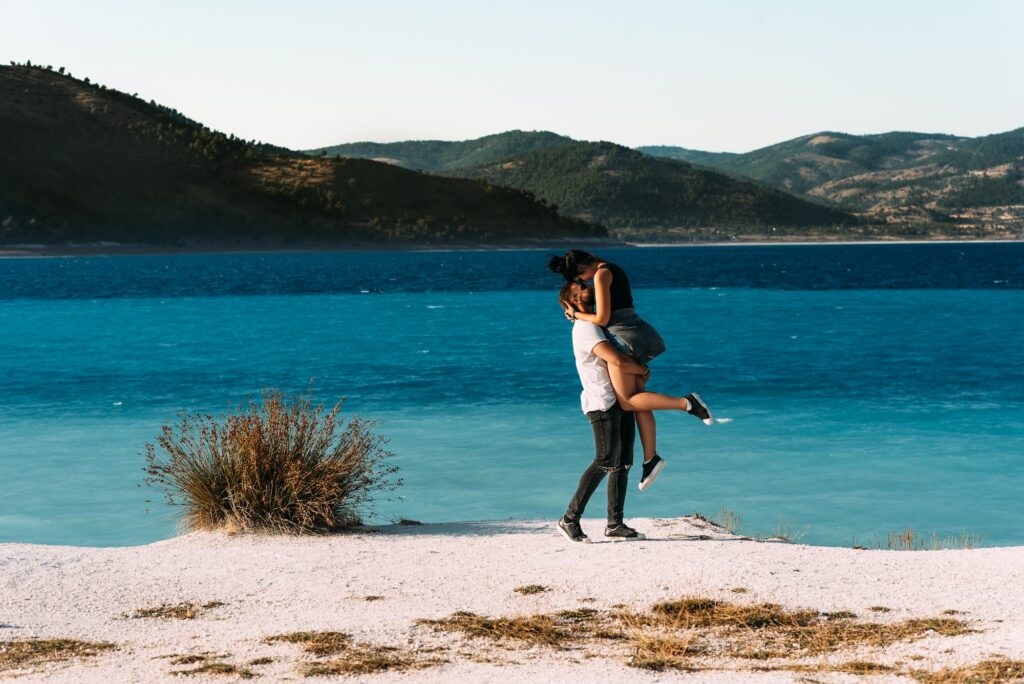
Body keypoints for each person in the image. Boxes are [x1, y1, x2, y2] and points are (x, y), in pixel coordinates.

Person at [557, 281, 710, 543]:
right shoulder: (585, 328)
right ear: (570, 301)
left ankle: (615, 524)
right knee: (604, 461)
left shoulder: (597, 323)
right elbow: (615, 359)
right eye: (580, 289)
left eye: (586, 285)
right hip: (601, 404)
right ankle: (569, 519)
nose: (588, 289)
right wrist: (640, 370)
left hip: (619, 401)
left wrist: (636, 376)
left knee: (622, 463)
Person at [549, 250, 712, 491]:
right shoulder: (613, 269)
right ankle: (650, 458)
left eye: (582, 278)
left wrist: (576, 314)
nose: (585, 283)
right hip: (636, 331)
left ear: (584, 266)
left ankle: (687, 403)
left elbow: (603, 318)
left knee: (627, 402)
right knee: (639, 402)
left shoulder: (602, 273)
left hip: (624, 336)